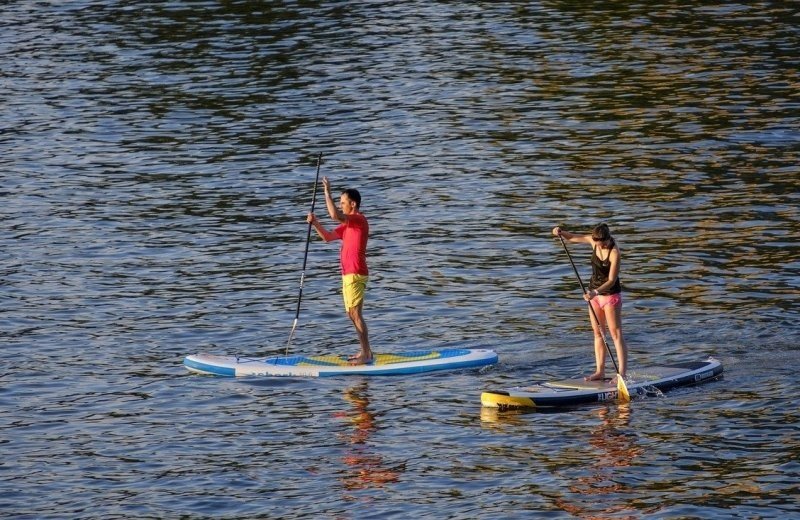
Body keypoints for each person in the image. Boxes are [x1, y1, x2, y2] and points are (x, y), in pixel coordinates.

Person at [307, 177, 372, 365]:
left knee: (355, 314)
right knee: (352, 314)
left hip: (356, 273)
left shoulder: (358, 220)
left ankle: (366, 354)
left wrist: (327, 192)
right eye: (340, 203)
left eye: (343, 203)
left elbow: (334, 215)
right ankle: (366, 351)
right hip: (348, 274)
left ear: (353, 204)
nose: (341, 206)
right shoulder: (347, 225)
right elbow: (328, 237)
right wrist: (315, 223)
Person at [552, 223, 628, 382]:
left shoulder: (615, 253)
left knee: (615, 334)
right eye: (597, 244)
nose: (600, 246)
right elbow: (572, 237)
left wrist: (595, 292)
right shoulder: (593, 241)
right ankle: (600, 371)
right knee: (598, 333)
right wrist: (560, 232)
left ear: (607, 239)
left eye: (602, 244)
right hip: (594, 296)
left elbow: (611, 280)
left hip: (610, 295)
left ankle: (621, 373)